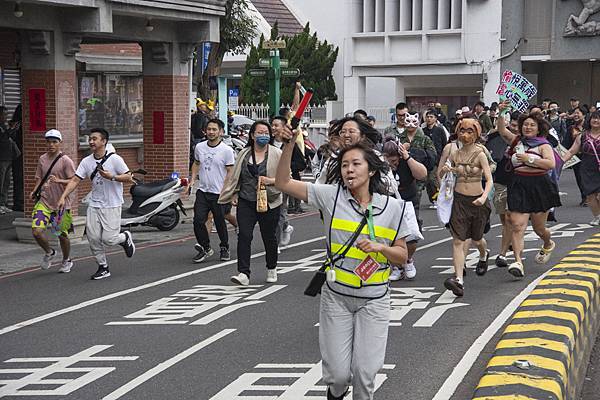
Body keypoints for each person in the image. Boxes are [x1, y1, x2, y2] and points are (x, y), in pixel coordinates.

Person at [275, 136, 411, 400]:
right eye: (345, 165)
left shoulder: (393, 208)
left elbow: (402, 256)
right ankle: (336, 393)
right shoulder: (330, 197)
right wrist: (290, 145)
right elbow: (283, 183)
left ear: (371, 170)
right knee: (337, 377)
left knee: (365, 374)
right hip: (336, 297)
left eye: (356, 164)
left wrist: (381, 248)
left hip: (375, 300)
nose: (349, 169)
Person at [57, 128, 136, 280]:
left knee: (109, 239)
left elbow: (129, 177)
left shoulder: (115, 159)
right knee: (93, 238)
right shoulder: (86, 161)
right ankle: (103, 266)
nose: (91, 141)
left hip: (112, 204)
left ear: (104, 141)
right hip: (94, 204)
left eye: (94, 139)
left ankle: (125, 238)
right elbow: (75, 180)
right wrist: (63, 196)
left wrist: (112, 177)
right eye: (90, 139)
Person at [496, 101, 561, 278]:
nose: (528, 127)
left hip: (540, 185)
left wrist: (529, 159)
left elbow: (550, 164)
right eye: (525, 124)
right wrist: (502, 112)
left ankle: (548, 243)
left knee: (539, 228)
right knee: (517, 224)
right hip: (518, 184)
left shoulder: (544, 144)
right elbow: (502, 131)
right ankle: (518, 261)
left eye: (532, 125)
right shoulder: (516, 140)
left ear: (539, 128)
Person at [219, 121, 282, 285]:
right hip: (246, 201)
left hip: (270, 201)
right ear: (252, 135)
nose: (263, 136)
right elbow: (236, 175)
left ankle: (272, 267)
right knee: (244, 236)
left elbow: (285, 178)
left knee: (269, 237)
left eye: (266, 133)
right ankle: (243, 273)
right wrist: (234, 193)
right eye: (260, 132)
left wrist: (270, 180)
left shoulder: (276, 153)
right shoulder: (244, 153)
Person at [437, 119, 493, 297]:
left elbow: (489, 179)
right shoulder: (455, 154)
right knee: (458, 241)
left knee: (477, 239)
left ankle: (484, 254)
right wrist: (446, 170)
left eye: (470, 131)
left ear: (476, 133)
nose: (465, 135)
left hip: (477, 201)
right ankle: (459, 280)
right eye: (462, 131)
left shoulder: (480, 154)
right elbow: (440, 174)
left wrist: (484, 197)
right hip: (459, 201)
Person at [190, 118, 236, 263]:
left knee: (220, 221)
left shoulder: (227, 151)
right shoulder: (200, 147)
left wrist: (226, 189)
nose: (211, 132)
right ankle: (206, 247)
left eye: (214, 129)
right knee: (198, 220)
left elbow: (230, 171)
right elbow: (196, 163)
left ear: (221, 132)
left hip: (219, 193)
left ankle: (224, 247)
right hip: (203, 191)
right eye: (209, 129)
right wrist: (192, 180)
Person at [382, 139, 428, 281]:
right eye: (388, 160)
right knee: (389, 237)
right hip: (388, 201)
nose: (392, 164)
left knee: (412, 236)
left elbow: (422, 174)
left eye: (394, 160)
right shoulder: (381, 165)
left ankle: (407, 260)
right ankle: (396, 266)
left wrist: (407, 157)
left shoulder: (406, 160)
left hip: (408, 200)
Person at [31, 130, 76, 272]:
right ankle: (50, 252)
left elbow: (74, 180)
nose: (51, 145)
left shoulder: (65, 161)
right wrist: (34, 190)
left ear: (59, 143)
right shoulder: (42, 159)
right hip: (44, 202)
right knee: (36, 231)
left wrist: (58, 180)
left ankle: (66, 260)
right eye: (49, 142)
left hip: (61, 204)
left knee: (62, 235)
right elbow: (39, 177)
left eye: (54, 142)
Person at [485, 112, 519, 268]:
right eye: (513, 125)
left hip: (520, 182)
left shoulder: (527, 142)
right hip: (500, 181)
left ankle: (503, 253)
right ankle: (509, 244)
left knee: (512, 218)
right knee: (505, 218)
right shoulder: (497, 137)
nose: (516, 128)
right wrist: (501, 110)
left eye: (519, 126)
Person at [562, 111, 600, 225]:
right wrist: (560, 161)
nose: (596, 121)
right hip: (587, 167)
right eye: (594, 118)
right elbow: (572, 151)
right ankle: (597, 216)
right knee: (590, 195)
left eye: (598, 118)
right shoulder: (582, 135)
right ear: (589, 120)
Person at [271, 116, 296, 246]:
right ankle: (286, 226)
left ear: (284, 127)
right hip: (269, 181)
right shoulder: (268, 143)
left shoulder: (291, 143)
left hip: (284, 181)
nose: (273, 128)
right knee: (273, 211)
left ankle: (275, 242)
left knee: (279, 209)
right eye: (272, 125)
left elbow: (300, 163)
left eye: (277, 125)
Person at [0, 107, 21, 214]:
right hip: (2, 158)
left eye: (6, 114)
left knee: (6, 182)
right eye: (4, 114)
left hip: (8, 157)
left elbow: (10, 138)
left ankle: (3, 203)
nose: (6, 117)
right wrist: (10, 130)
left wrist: (13, 129)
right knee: (1, 181)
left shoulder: (4, 126)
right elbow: (3, 138)